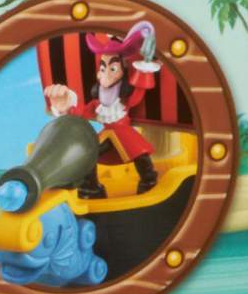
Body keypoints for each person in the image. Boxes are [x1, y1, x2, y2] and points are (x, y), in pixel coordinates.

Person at [44, 20, 163, 199]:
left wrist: (145, 70)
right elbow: (83, 113)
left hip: (124, 134)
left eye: (112, 68)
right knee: (88, 154)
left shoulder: (124, 99)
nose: (105, 74)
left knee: (140, 154)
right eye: (103, 67)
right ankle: (90, 188)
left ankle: (149, 180)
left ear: (123, 71)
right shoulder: (98, 103)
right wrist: (66, 106)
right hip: (107, 135)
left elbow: (139, 92)